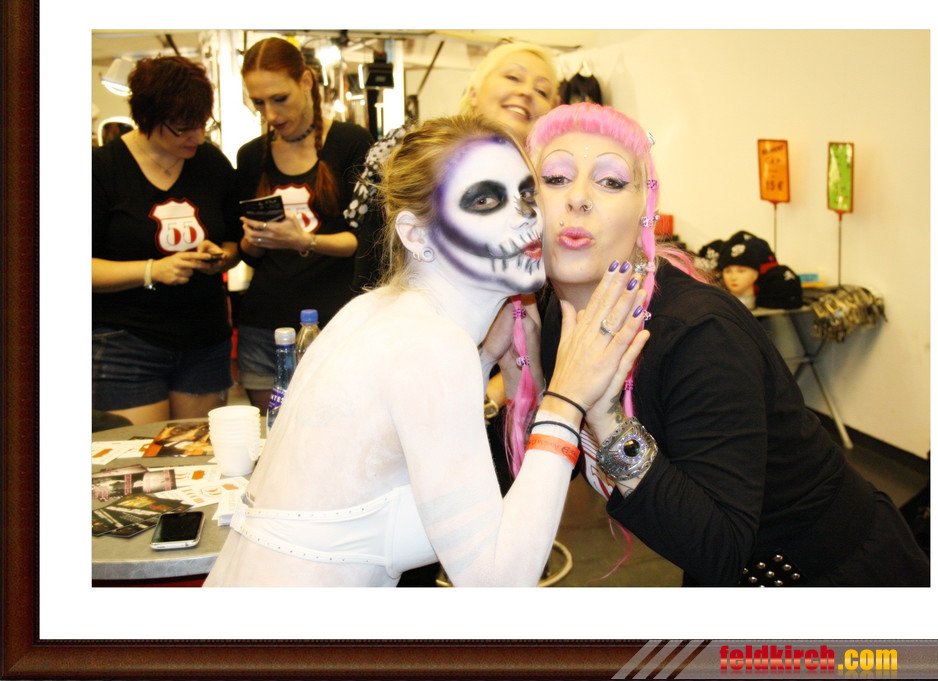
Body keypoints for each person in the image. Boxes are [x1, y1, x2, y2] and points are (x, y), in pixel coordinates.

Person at [204, 115, 648, 587]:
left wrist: (483, 361)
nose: (527, 216)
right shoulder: (430, 346)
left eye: (526, 194)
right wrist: (566, 401)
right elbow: (497, 583)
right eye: (485, 200)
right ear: (415, 235)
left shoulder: (375, 312)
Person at [527, 103, 930, 586]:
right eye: (555, 178)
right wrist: (511, 371)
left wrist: (606, 418)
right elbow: (537, 476)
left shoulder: (700, 333)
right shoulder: (556, 317)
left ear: (644, 214)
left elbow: (719, 547)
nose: (578, 198)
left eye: (611, 181)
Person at [92, 56, 241, 425]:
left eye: (203, 124)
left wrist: (219, 257)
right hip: (127, 342)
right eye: (183, 128)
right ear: (148, 117)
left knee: (198, 453)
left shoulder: (210, 163)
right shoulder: (102, 169)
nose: (197, 137)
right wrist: (152, 270)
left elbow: (234, 241)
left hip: (204, 339)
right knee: (138, 454)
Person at [346, 40, 559, 292]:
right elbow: (370, 273)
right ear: (473, 92)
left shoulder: (552, 184)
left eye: (542, 91)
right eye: (513, 77)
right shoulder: (416, 156)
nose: (526, 92)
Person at [234, 37, 374, 414]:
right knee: (271, 434)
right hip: (265, 324)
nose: (271, 114)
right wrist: (254, 241)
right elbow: (247, 255)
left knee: (335, 429)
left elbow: (364, 240)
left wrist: (306, 240)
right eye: (258, 103)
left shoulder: (351, 143)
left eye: (279, 98)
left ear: (306, 82)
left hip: (335, 320)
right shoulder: (250, 156)